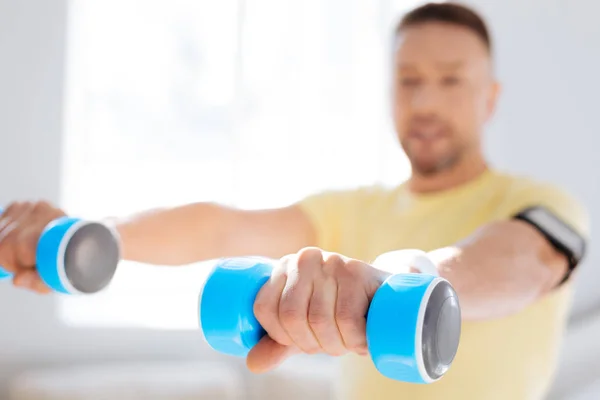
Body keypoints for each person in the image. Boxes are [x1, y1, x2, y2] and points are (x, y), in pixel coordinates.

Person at [0, 2, 590, 400]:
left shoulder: (537, 202)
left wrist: (406, 285)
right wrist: (93, 236)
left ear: (489, 97)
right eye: (408, 80)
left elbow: (520, 263)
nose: (426, 101)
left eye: (451, 79)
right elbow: (221, 231)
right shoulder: (352, 209)